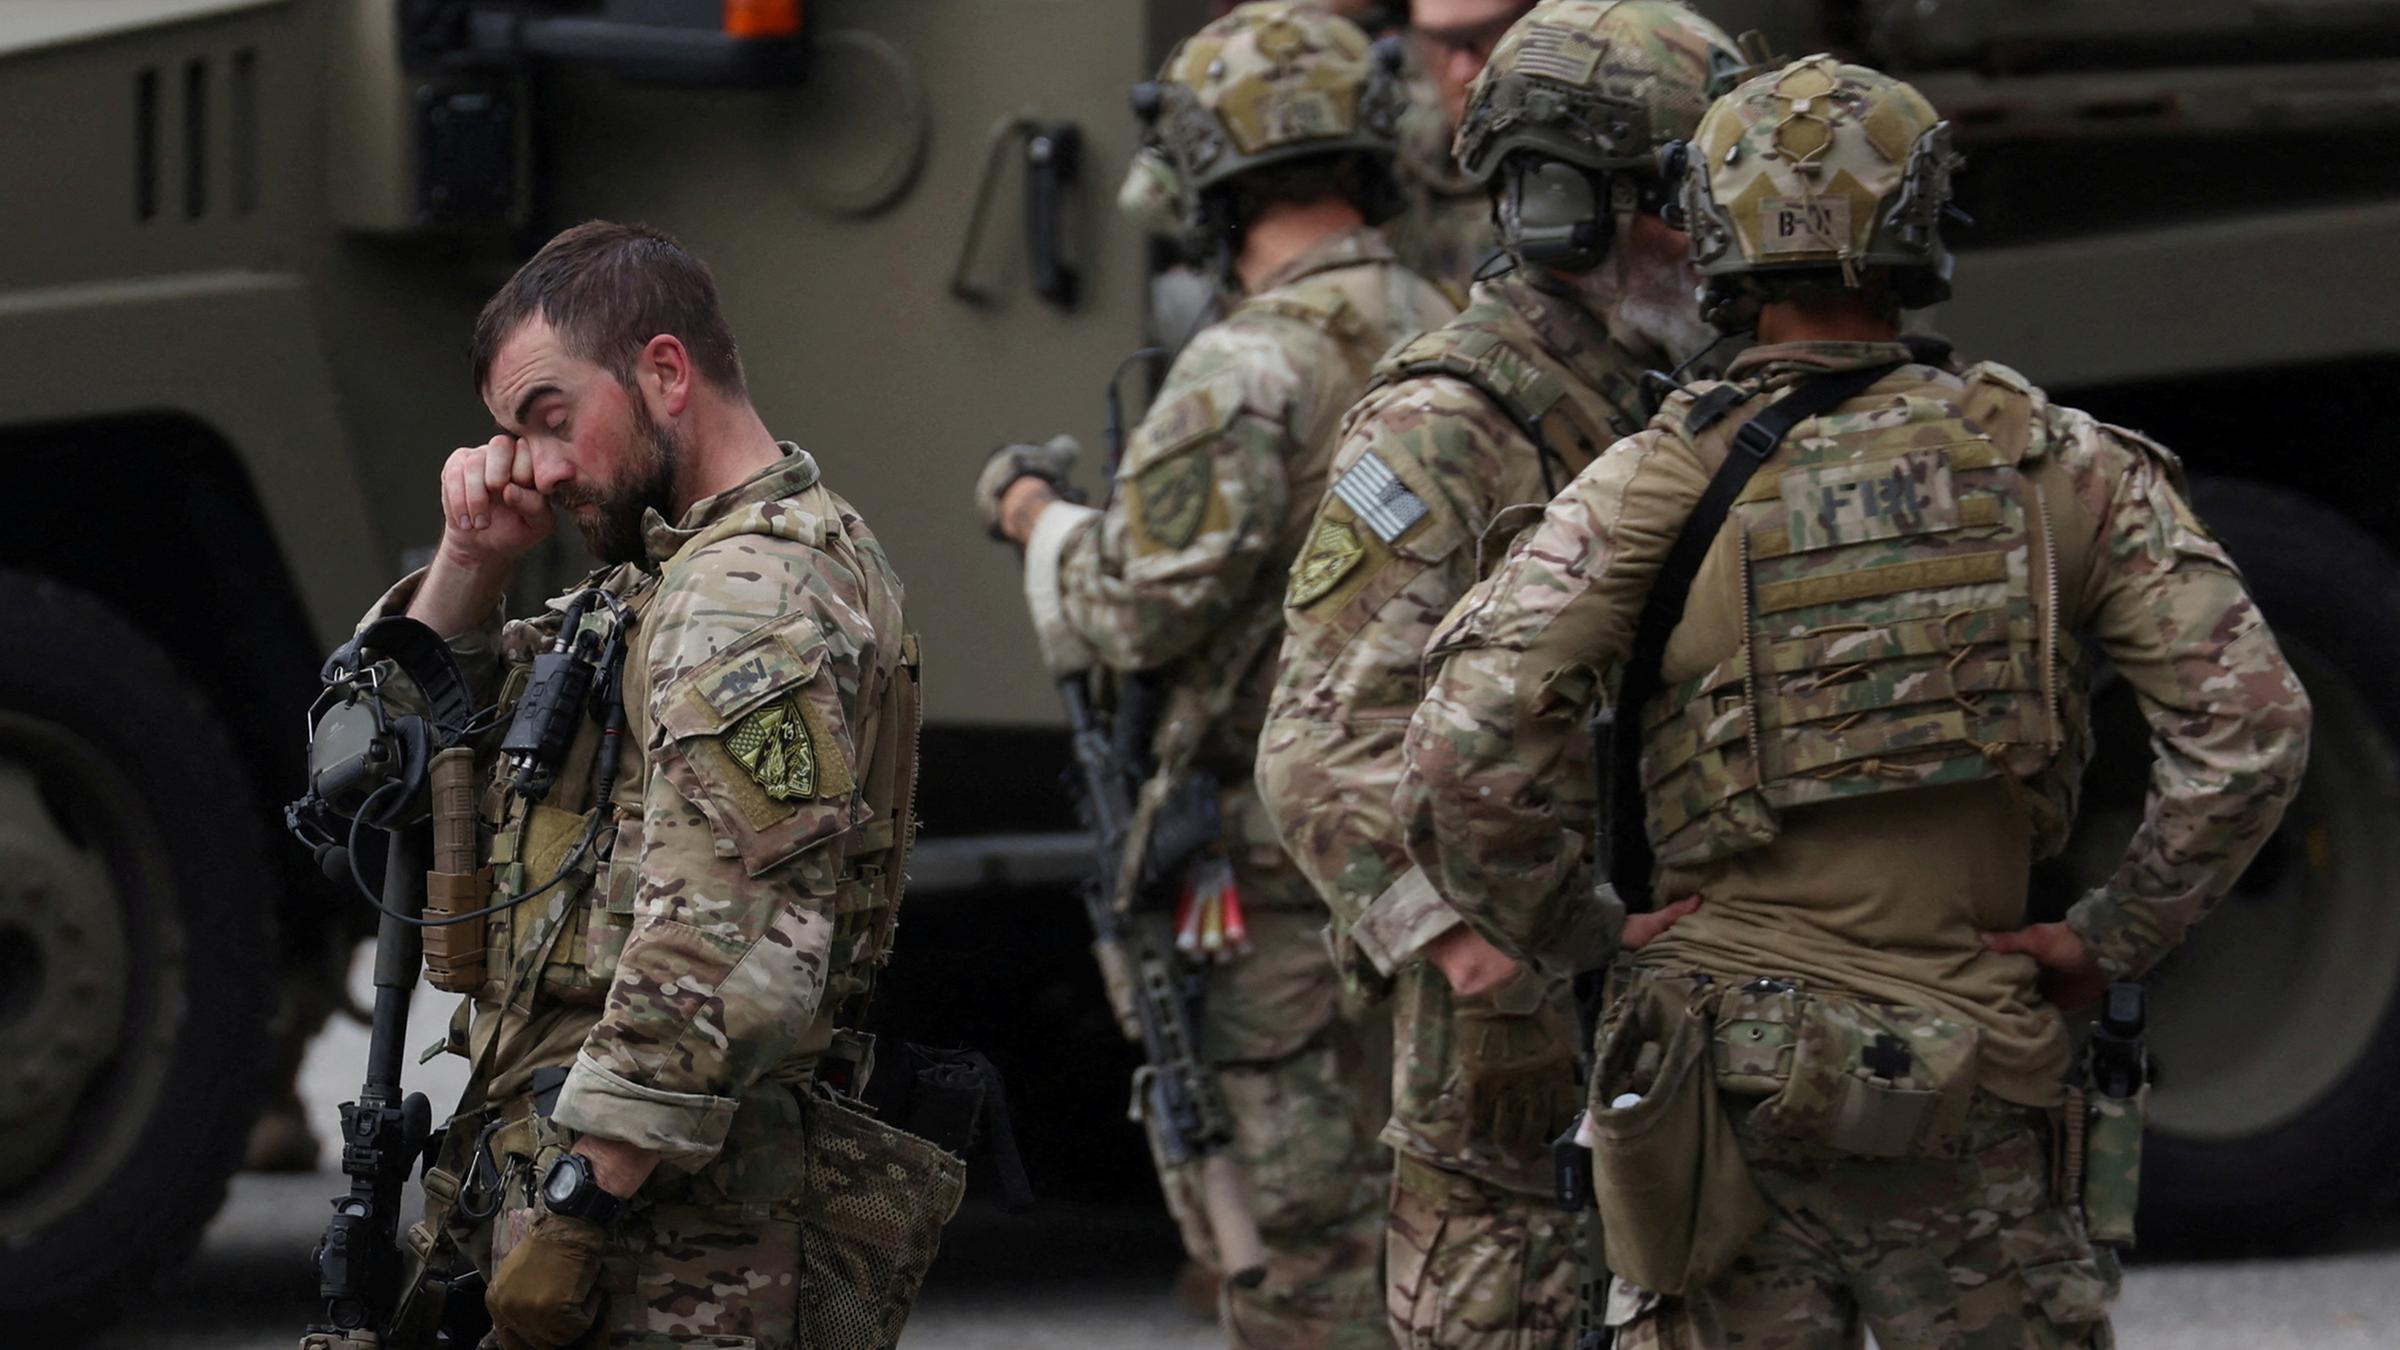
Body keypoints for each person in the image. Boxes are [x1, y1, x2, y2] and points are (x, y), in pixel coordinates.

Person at [1397, 54, 2312, 1349]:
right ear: (1921, 222)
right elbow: (2254, 729)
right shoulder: (2060, 466)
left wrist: (1588, 927)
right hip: (1973, 1070)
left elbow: (1456, 754)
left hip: (1718, 1084)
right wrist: (2112, 932)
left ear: (1715, 227)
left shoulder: (1648, 484)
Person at [1255, 3, 1741, 1345]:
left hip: (1674, 1031)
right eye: (1688, 199)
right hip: (1512, 1095)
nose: (1719, 238)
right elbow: (1317, 749)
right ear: (1573, 207)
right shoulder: (1446, 425)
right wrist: (1477, 956)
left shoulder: (1668, 397)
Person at [975, 5, 1456, 1344]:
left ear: (1209, 170)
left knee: (1297, 1252)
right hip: (1452, 857)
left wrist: (1034, 519)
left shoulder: (1247, 365)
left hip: (1282, 878)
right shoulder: (1456, 324)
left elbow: (1132, 608)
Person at [364, 221, 929, 1349]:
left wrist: (578, 1206)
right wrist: (469, 562)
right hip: (612, 1184)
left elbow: (732, 938)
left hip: (677, 1231)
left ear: (665, 372)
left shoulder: (743, 596)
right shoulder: (657, 581)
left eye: (551, 418)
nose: (541, 465)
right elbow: (380, 769)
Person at [1384, 0, 1535, 292]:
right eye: (1437, 42)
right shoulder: (1398, 163)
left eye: (1489, 36)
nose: (1461, 71)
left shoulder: (1601, 163)